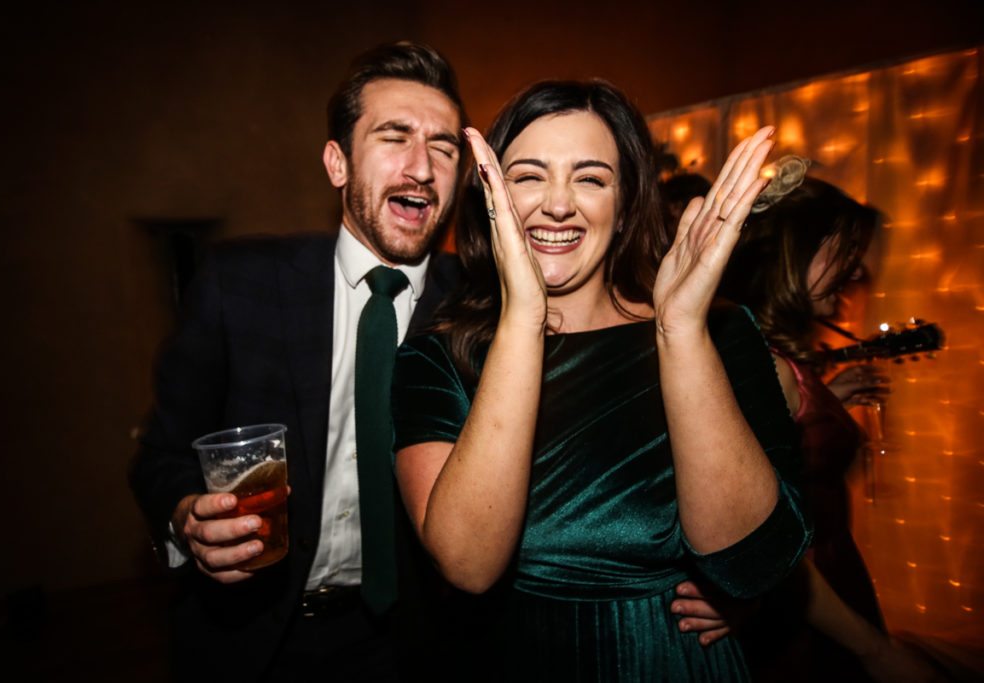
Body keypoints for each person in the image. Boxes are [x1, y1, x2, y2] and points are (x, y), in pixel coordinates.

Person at [390, 80, 811, 681]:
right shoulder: (438, 357)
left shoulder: (718, 333)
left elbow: (749, 566)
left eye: (590, 177)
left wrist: (681, 330)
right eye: (529, 175)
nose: (558, 204)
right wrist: (523, 317)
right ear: (492, 195)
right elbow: (468, 564)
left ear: (626, 202)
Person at [129, 42, 467, 683]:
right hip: (247, 639)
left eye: (444, 148)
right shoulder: (240, 284)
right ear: (338, 162)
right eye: (394, 137)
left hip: (411, 645)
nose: (421, 167)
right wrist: (185, 516)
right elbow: (160, 454)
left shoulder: (479, 311)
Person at [719, 173, 941, 682]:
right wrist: (875, 650)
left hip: (824, 582)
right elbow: (760, 536)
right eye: (843, 251)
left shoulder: (778, 360)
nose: (855, 268)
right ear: (795, 254)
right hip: (805, 595)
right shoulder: (765, 366)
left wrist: (826, 402)